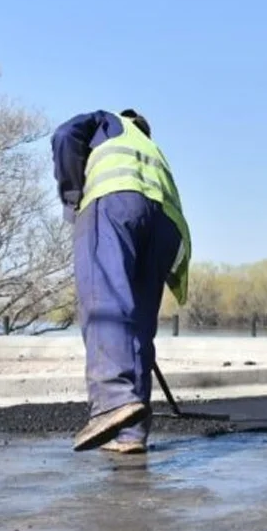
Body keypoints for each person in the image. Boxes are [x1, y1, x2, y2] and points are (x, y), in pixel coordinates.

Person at [51, 109, 191, 454]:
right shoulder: (152, 151)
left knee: (104, 301)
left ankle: (112, 401)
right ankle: (131, 434)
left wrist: (73, 198)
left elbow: (65, 135)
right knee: (139, 325)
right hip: (165, 225)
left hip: (115, 205)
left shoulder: (108, 121)